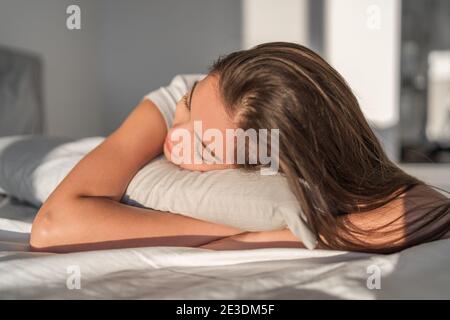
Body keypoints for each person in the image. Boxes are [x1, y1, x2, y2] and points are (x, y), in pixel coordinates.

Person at [30, 42, 450, 253]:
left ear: (264, 158)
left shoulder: (285, 150)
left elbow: (424, 204)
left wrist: (320, 228)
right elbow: (52, 227)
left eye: (206, 146)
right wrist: (249, 234)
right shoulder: (167, 106)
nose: (177, 136)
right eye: (190, 104)